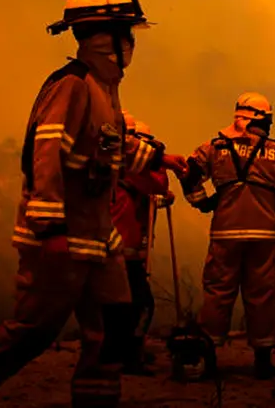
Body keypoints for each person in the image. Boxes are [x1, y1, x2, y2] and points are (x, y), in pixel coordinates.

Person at [0, 0, 188, 406]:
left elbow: (108, 149)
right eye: (127, 33)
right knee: (31, 332)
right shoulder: (71, 85)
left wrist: (159, 159)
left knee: (113, 330)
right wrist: (50, 229)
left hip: (99, 239)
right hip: (63, 240)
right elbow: (45, 154)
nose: (131, 43)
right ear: (104, 37)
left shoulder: (104, 90)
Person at [179, 92, 275, 379]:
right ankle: (263, 361)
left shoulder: (214, 148)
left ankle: (207, 359)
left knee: (218, 293)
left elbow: (187, 172)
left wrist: (203, 202)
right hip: (265, 235)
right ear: (261, 119)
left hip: (225, 233)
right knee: (262, 295)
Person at [111, 112, 174, 375]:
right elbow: (157, 184)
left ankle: (115, 353)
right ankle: (129, 356)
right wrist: (158, 159)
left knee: (116, 305)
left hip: (116, 248)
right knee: (140, 305)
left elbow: (143, 194)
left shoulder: (113, 167)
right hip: (124, 251)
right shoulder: (132, 167)